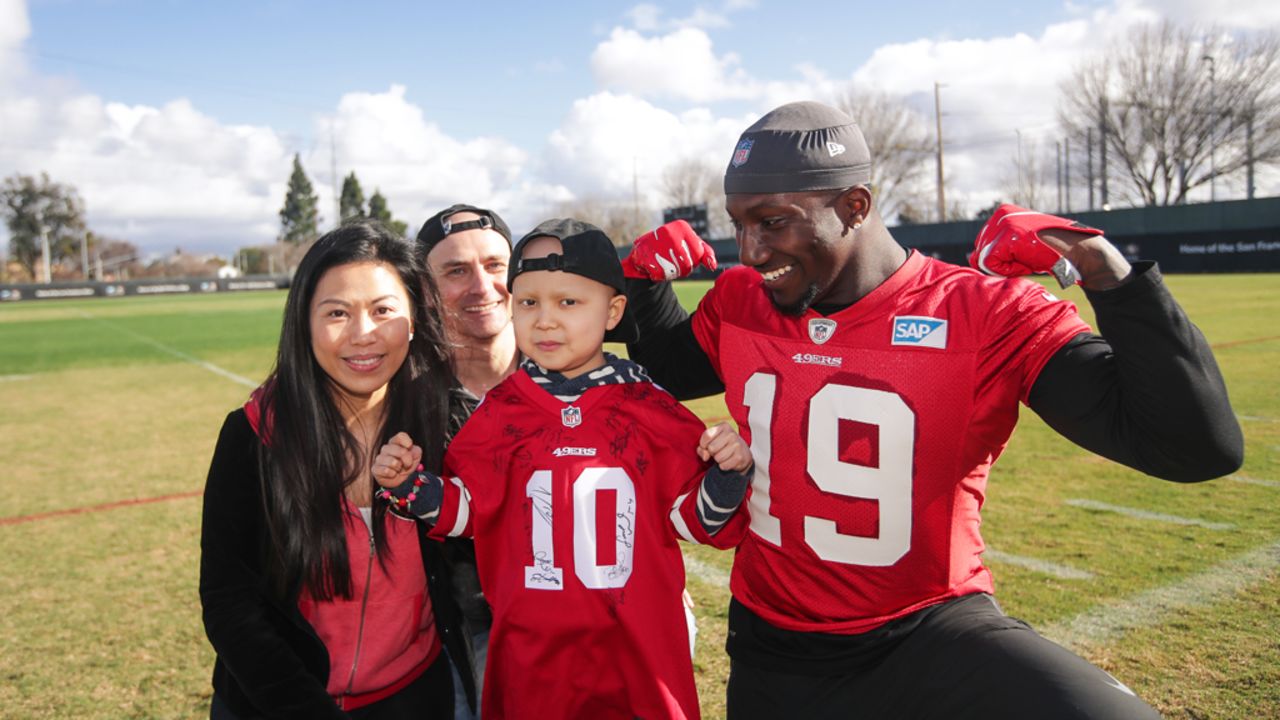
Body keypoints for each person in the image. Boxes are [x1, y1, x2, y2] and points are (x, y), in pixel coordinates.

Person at [620, 101, 1244, 719]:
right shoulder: (740, 300)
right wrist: (645, 288)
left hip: (929, 632)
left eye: (773, 222)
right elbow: (669, 372)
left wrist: (1102, 268)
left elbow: (1191, 446)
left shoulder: (987, 312)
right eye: (739, 224)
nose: (750, 250)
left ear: (854, 207)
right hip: (774, 647)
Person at [374, 219, 755, 719]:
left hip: (637, 654)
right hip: (537, 659)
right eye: (528, 302)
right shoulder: (500, 412)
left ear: (614, 310)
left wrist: (729, 473)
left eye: (568, 302)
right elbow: (467, 513)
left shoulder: (652, 409)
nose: (545, 320)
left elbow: (696, 522)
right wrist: (410, 486)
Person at [200, 220, 475, 719]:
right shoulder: (252, 436)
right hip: (274, 705)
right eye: (337, 312)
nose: (362, 335)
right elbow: (229, 602)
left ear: (414, 317)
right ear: (303, 322)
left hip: (414, 697)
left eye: (383, 310)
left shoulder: (447, 426)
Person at [416, 204, 516, 720]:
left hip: (583, 615)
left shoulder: (573, 368)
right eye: (456, 271)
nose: (482, 286)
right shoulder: (405, 401)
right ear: (427, 292)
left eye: (495, 265)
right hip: (466, 624)